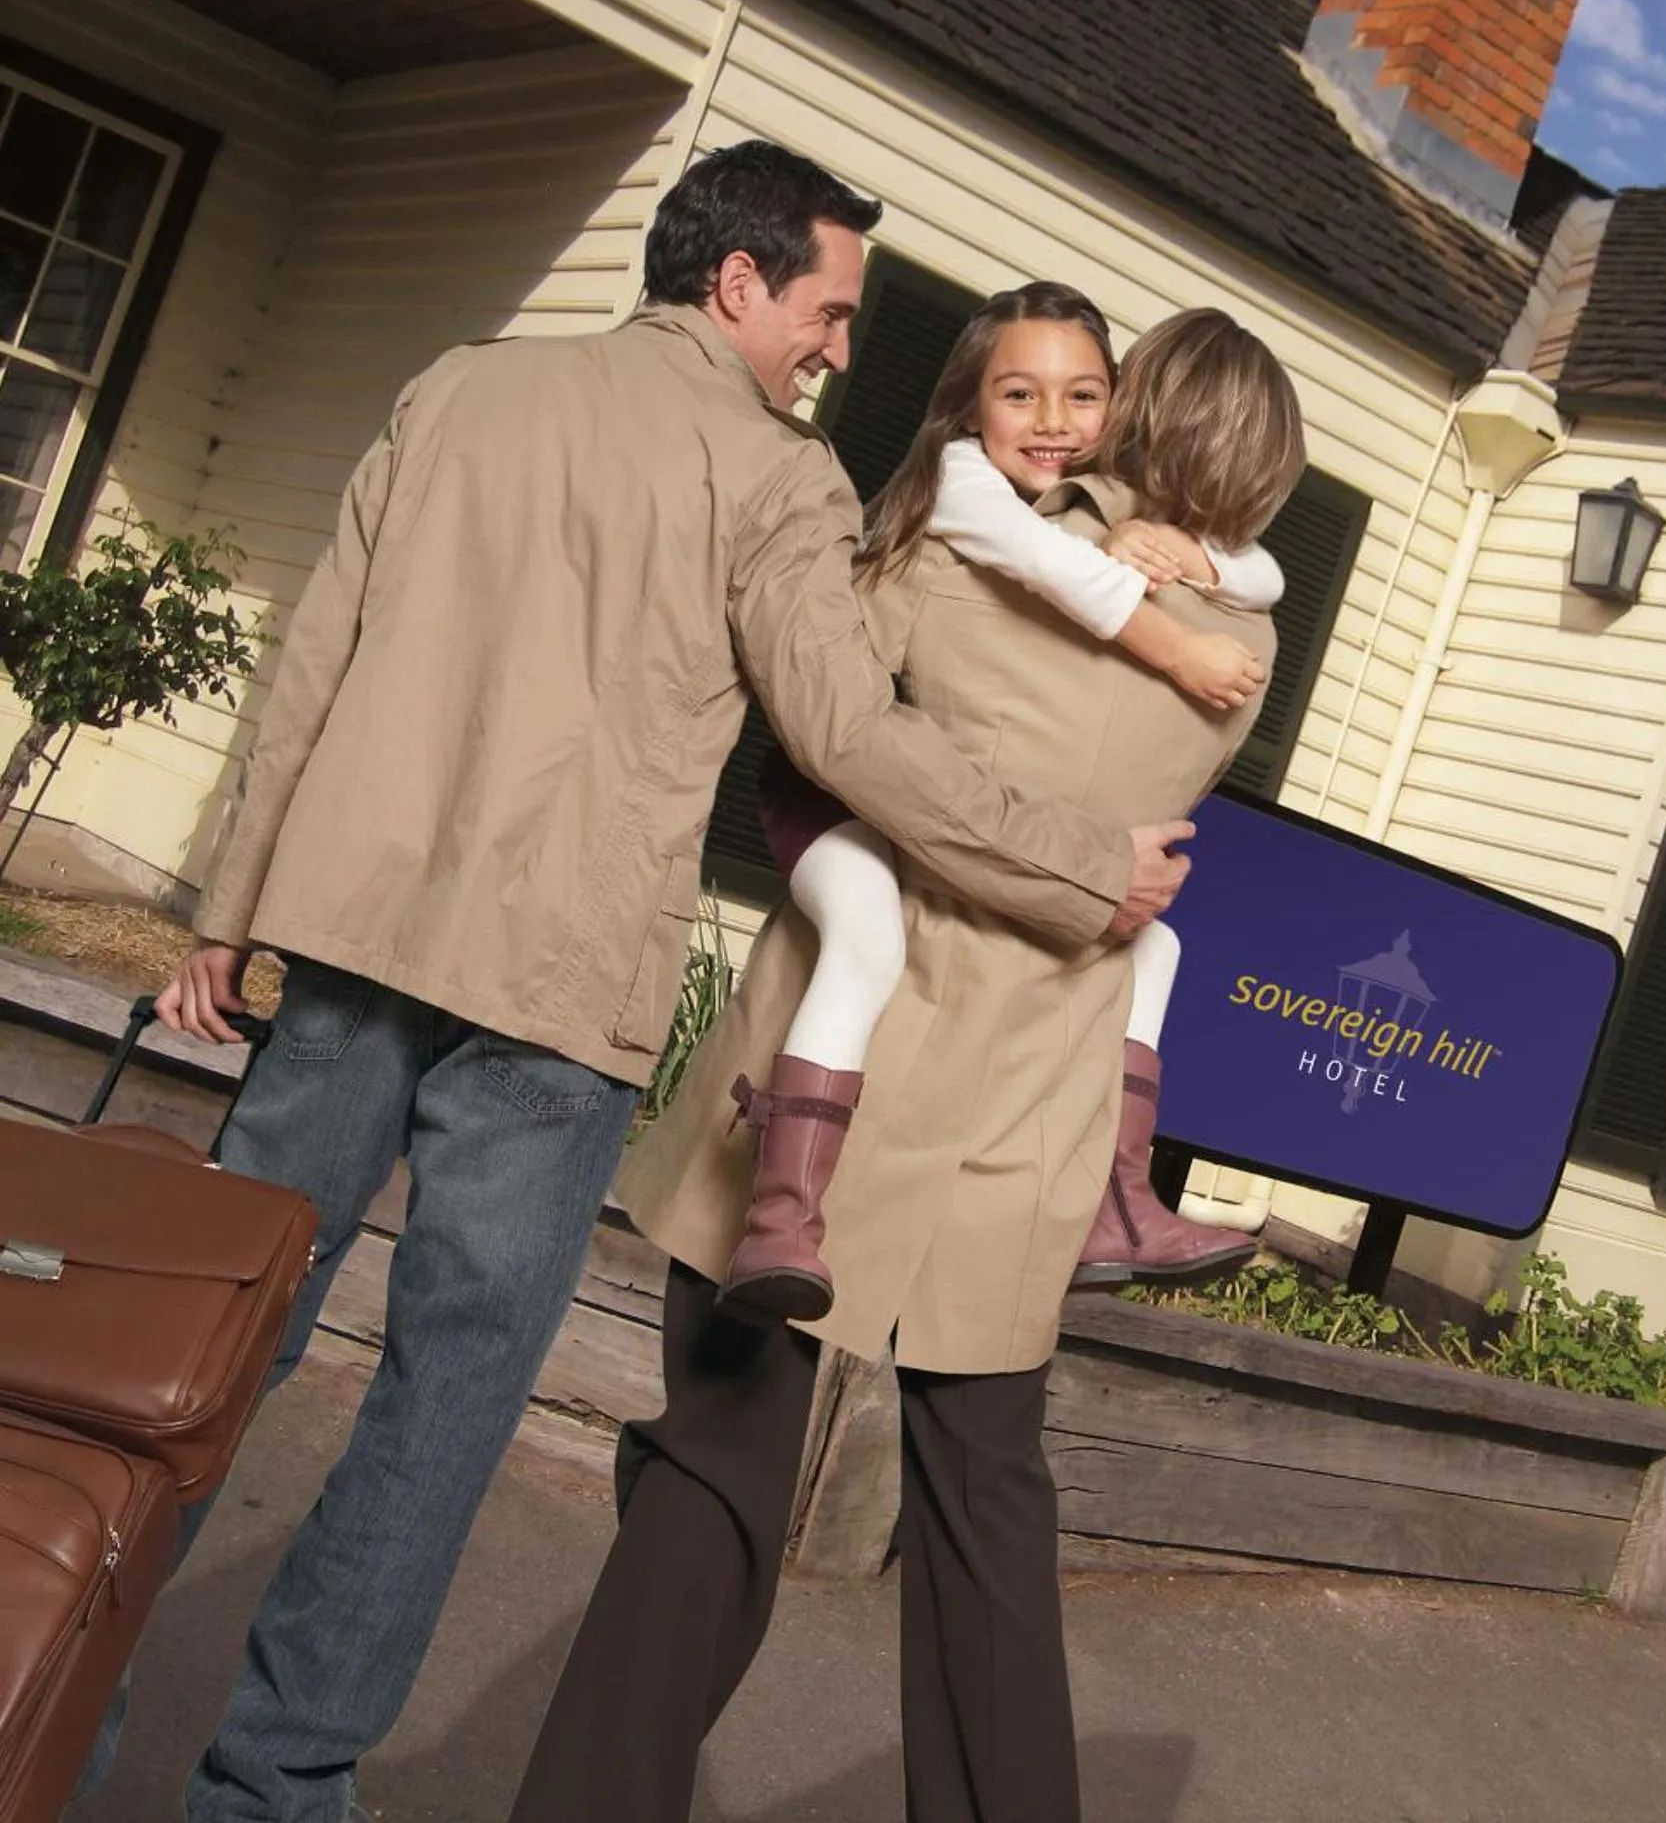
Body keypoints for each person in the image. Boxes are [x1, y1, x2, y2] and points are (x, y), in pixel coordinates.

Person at [135, 144, 1196, 1823]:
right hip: (553, 1012)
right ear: (739, 281)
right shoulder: (780, 484)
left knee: (188, 1352)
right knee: (436, 1411)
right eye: (829, 312)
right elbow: (850, 735)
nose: (838, 351)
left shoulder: (461, 389)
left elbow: (317, 649)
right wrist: (1078, 858)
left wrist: (226, 903)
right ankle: (268, 1789)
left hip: (345, 952)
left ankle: (37, 1680)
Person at [509, 300, 1306, 1823]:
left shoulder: (973, 533)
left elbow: (826, 726)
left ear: (1125, 412)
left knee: (717, 1472)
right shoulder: (1243, 645)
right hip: (1023, 1110)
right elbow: (1114, 808)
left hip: (829, 1078)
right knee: (985, 1512)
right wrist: (1078, 859)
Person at [719, 281, 1276, 1321]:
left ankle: (1120, 1197)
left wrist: (1198, 561)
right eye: (1022, 396)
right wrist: (1179, 636)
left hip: (947, 834)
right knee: (868, 940)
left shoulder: (1123, 542)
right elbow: (1048, 579)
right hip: (829, 800)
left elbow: (1267, 575)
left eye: (1085, 399)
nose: (1057, 426)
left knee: (1160, 951)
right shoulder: (967, 493)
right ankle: (780, 1215)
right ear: (974, 405)